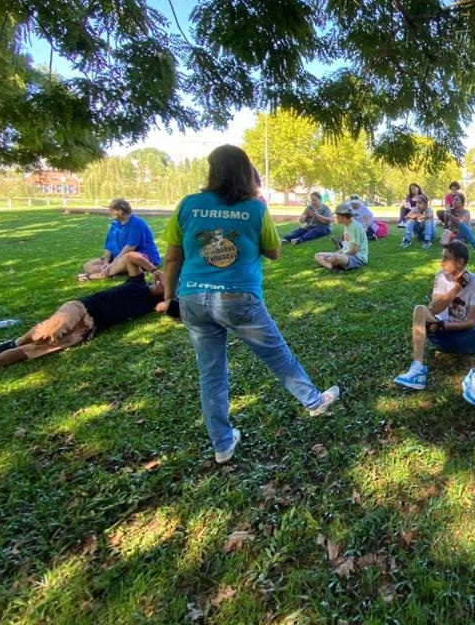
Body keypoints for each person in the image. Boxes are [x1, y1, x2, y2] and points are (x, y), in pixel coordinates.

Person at [160, 145, 339, 464]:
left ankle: (222, 445)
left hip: (192, 298)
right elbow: (274, 251)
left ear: (212, 171)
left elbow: (173, 257)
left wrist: (169, 299)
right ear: (245, 172)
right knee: (276, 353)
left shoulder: (188, 205)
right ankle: (313, 401)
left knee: (211, 374)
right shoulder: (254, 207)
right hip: (237, 297)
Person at [0, 253, 162, 388]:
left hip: (87, 330)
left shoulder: (154, 306)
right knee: (48, 332)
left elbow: (173, 307)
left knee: (37, 350)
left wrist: (172, 296)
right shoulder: (137, 283)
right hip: (81, 308)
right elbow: (130, 257)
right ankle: (16, 341)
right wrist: (155, 270)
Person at [393, 240, 475, 406]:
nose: (441, 262)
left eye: (446, 258)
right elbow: (433, 310)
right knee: (420, 309)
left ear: (460, 262)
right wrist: (456, 288)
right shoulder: (441, 277)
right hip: (442, 336)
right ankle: (417, 369)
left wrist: (443, 326)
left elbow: (471, 322)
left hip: (469, 338)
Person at [81, 199, 162, 280]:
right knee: (88, 266)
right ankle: (119, 270)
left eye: (111, 210)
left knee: (128, 257)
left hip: (141, 258)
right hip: (119, 258)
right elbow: (109, 245)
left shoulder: (136, 223)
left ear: (119, 212)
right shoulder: (115, 224)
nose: (109, 212)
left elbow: (130, 248)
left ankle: (94, 276)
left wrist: (112, 264)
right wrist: (106, 262)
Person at [314, 202, 369, 270]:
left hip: (357, 258)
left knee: (336, 257)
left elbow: (354, 251)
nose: (336, 217)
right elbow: (346, 247)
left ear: (341, 216)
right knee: (318, 255)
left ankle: (330, 263)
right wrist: (333, 254)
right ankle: (331, 266)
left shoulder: (355, 227)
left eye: (337, 215)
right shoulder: (347, 226)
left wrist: (336, 255)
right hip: (345, 255)